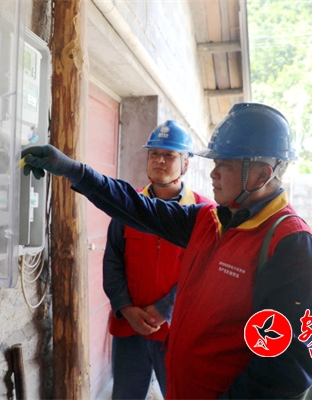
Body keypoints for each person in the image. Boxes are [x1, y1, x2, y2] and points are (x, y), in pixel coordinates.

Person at [23, 103, 312, 399]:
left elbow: (289, 370)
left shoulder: (291, 246)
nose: (213, 173)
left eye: (225, 165)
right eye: (215, 163)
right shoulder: (209, 220)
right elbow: (137, 207)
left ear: (262, 175)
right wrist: (72, 170)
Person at [103, 120, 213, 399]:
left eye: (169, 155)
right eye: (154, 154)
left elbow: (206, 272)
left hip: (178, 332)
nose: (159, 161)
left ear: (186, 164)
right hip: (129, 329)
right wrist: (126, 308)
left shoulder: (204, 213)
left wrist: (166, 308)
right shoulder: (128, 205)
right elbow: (112, 261)